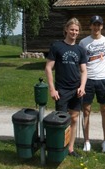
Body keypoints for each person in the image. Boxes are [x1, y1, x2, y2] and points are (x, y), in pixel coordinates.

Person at [45, 17, 87, 157]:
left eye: (76, 30)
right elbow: (48, 68)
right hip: (61, 90)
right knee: (61, 120)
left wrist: (82, 86)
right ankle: (59, 147)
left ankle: (70, 148)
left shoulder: (80, 50)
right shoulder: (57, 46)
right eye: (71, 30)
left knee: (74, 118)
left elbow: (84, 71)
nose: (74, 32)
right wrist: (52, 89)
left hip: (76, 90)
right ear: (66, 30)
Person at [79, 15, 105, 153]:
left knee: (104, 111)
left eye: (99, 25)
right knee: (86, 111)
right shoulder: (83, 43)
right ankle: (86, 141)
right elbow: (80, 64)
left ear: (102, 26)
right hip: (87, 80)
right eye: (94, 24)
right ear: (90, 26)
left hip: (102, 80)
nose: (96, 27)